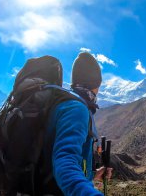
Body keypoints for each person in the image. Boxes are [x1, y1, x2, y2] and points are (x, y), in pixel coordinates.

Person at [38, 52, 112, 196]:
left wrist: (93, 175)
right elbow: (65, 161)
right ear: (96, 84)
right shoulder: (77, 109)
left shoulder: (64, 104)